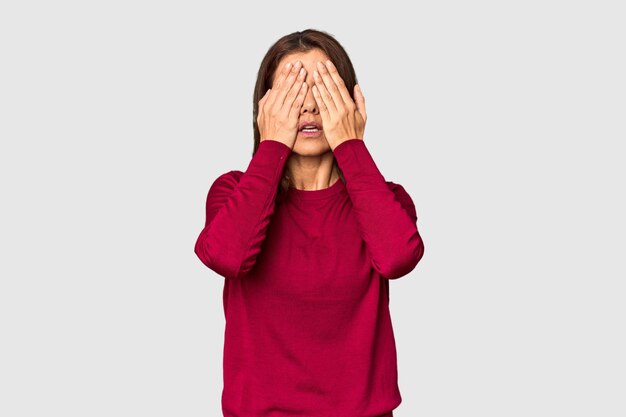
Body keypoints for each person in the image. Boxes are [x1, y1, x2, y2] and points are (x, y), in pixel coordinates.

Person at [194, 28, 425, 417]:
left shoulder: (385, 200)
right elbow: (225, 257)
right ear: (265, 109)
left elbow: (399, 258)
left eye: (323, 89)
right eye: (292, 92)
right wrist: (272, 145)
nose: (309, 107)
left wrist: (351, 145)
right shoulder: (231, 192)